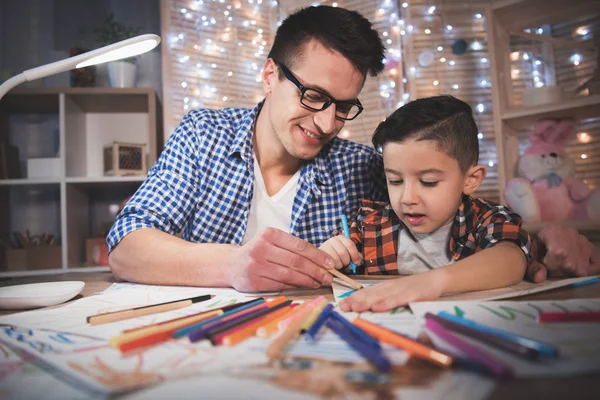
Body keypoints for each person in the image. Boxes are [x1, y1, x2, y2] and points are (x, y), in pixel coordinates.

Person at [107, 6, 598, 293]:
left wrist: (545, 236)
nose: (326, 124)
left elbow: (462, 220)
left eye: (343, 107)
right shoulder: (201, 136)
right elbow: (127, 247)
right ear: (271, 74)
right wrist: (234, 266)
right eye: (314, 96)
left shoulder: (363, 167)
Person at [318, 96, 580, 312]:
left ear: (470, 179)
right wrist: (329, 254)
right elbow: (330, 261)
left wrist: (428, 284)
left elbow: (511, 260)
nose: (408, 197)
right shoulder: (370, 226)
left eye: (429, 182)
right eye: (395, 181)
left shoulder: (487, 219)